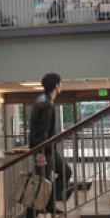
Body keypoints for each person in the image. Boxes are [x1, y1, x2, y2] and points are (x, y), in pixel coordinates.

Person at [29, 73, 74, 206]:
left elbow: (41, 129)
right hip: (45, 151)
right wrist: (40, 153)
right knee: (41, 185)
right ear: (56, 85)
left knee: (42, 183)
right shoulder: (47, 104)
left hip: (45, 149)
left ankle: (49, 204)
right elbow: (42, 132)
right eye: (61, 83)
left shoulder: (41, 100)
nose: (61, 86)